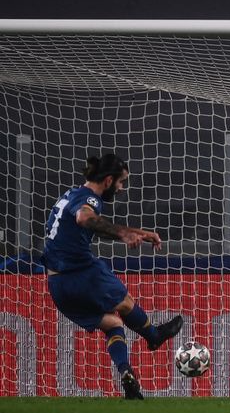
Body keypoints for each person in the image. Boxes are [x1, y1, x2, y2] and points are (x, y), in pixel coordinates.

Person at [43, 153, 184, 399]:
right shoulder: (90, 200)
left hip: (57, 285)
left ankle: (126, 374)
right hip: (80, 272)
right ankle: (154, 336)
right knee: (126, 302)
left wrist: (140, 232)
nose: (121, 188)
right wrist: (123, 236)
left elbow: (85, 218)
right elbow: (85, 218)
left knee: (114, 324)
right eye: (121, 182)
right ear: (108, 180)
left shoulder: (70, 195)